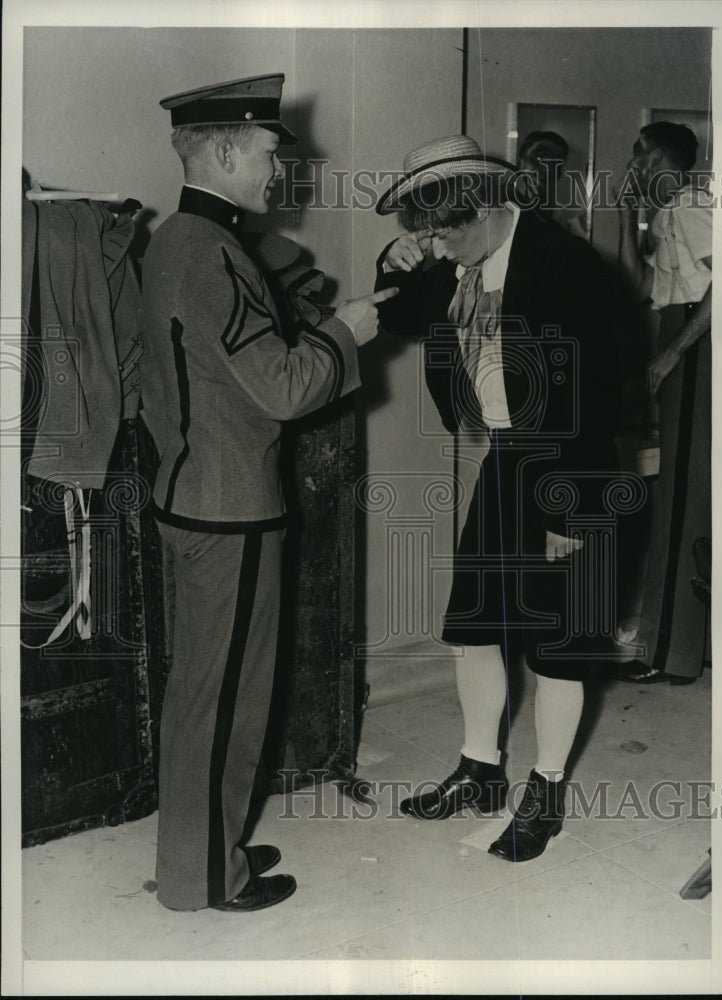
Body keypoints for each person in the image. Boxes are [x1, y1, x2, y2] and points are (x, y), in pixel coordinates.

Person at [140, 73, 395, 912]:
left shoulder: (181, 240)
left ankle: (208, 846)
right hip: (230, 506)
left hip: (197, 493)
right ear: (222, 150)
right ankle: (205, 877)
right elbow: (282, 390)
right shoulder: (210, 250)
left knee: (208, 692)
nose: (276, 171)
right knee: (221, 701)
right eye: (265, 153)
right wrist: (342, 330)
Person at [374, 134, 619, 862]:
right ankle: (480, 768)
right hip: (507, 460)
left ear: (484, 207)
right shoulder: (455, 258)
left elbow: (595, 395)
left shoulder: (565, 263)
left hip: (567, 471)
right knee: (474, 626)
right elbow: (397, 316)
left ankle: (544, 792)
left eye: (444, 233)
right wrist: (390, 263)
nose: (440, 251)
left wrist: (572, 512)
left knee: (559, 647)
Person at [614, 121, 712, 685]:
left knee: (680, 502)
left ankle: (668, 654)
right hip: (682, 337)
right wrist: (626, 216)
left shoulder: (695, 204)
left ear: (658, 159)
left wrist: (672, 353)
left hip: (696, 348)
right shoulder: (671, 212)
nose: (633, 169)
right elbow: (635, 283)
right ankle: (683, 646)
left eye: (637, 157)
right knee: (685, 496)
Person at [516, 130, 588, 239]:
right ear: (518, 162)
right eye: (539, 158)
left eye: (556, 165)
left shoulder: (563, 223)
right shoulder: (500, 207)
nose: (547, 169)